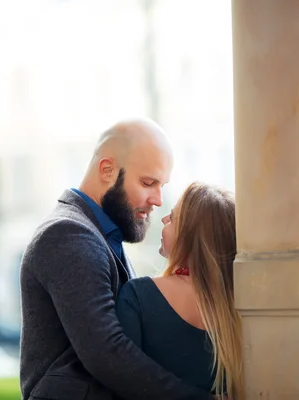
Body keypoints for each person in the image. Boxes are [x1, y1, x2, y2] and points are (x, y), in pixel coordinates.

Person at [19, 119, 214, 400]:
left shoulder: (99, 234)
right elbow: (107, 352)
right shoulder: (69, 234)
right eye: (148, 183)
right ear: (107, 170)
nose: (158, 200)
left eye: (162, 185)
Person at [116, 182, 245, 399]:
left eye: (173, 218)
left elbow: (122, 381)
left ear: (191, 236)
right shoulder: (241, 304)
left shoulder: (138, 295)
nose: (164, 219)